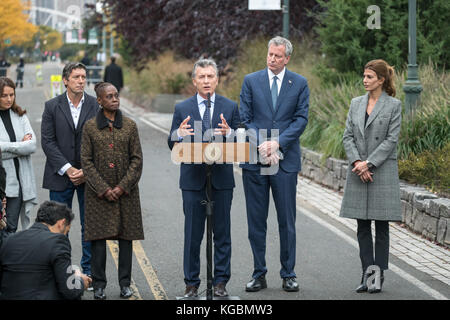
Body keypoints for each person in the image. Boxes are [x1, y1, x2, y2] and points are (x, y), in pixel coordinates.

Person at [239, 36, 309, 293]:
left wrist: (277, 144)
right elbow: (245, 118)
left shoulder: (299, 83)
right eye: (270, 54)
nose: (272, 59)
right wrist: (263, 144)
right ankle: (259, 273)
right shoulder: (251, 81)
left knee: (286, 221)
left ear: (287, 58)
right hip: (255, 161)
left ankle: (288, 273)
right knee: (256, 222)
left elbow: (301, 120)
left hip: (285, 161)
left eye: (278, 56)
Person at [168, 58, 240, 298]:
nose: (207, 81)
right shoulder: (182, 108)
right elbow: (172, 140)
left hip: (221, 181)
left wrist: (229, 132)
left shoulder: (230, 107)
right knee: (193, 234)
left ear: (217, 79)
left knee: (222, 233)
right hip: (192, 181)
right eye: (202, 77)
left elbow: (241, 138)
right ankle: (191, 284)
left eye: (211, 76)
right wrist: (179, 133)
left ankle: (220, 283)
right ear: (194, 81)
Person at [340, 59, 402, 294]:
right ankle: (367, 274)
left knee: (382, 227)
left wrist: (369, 163)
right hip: (358, 170)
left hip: (381, 171)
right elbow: (347, 136)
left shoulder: (394, 105)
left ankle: (377, 276)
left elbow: (391, 140)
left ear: (381, 80)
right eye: (364, 76)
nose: (364, 80)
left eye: (369, 77)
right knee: (362, 226)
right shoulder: (356, 103)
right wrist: (358, 162)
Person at [81, 82, 144, 300]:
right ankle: (99, 285)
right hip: (98, 195)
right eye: (109, 96)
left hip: (126, 193)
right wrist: (104, 189)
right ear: (99, 101)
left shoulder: (129, 125)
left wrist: (122, 187)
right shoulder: (90, 127)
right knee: (98, 240)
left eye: (116, 95)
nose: (114, 99)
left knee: (126, 239)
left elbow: (137, 159)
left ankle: (125, 284)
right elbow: (86, 162)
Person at [41, 62, 99, 282]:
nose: (81, 81)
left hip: (89, 176)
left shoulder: (95, 105)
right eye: (76, 77)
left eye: (84, 77)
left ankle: (89, 272)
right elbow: (48, 142)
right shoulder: (51, 106)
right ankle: (60, 272)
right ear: (65, 80)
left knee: (89, 226)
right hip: (59, 176)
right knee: (57, 227)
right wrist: (68, 169)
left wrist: (86, 169)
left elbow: (100, 141)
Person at [0, 200, 92, 300]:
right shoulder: (58, 241)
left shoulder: (9, 240)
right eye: (66, 231)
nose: (65, 235)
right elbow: (70, 291)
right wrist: (81, 282)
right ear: (62, 223)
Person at [0, 77, 37, 234]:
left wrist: (4, 147)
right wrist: (20, 146)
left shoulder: (20, 114)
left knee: (12, 228)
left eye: (12, 94)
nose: (9, 99)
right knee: (4, 230)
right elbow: (24, 148)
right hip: (3, 184)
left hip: (20, 182)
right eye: (4, 95)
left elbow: (31, 146)